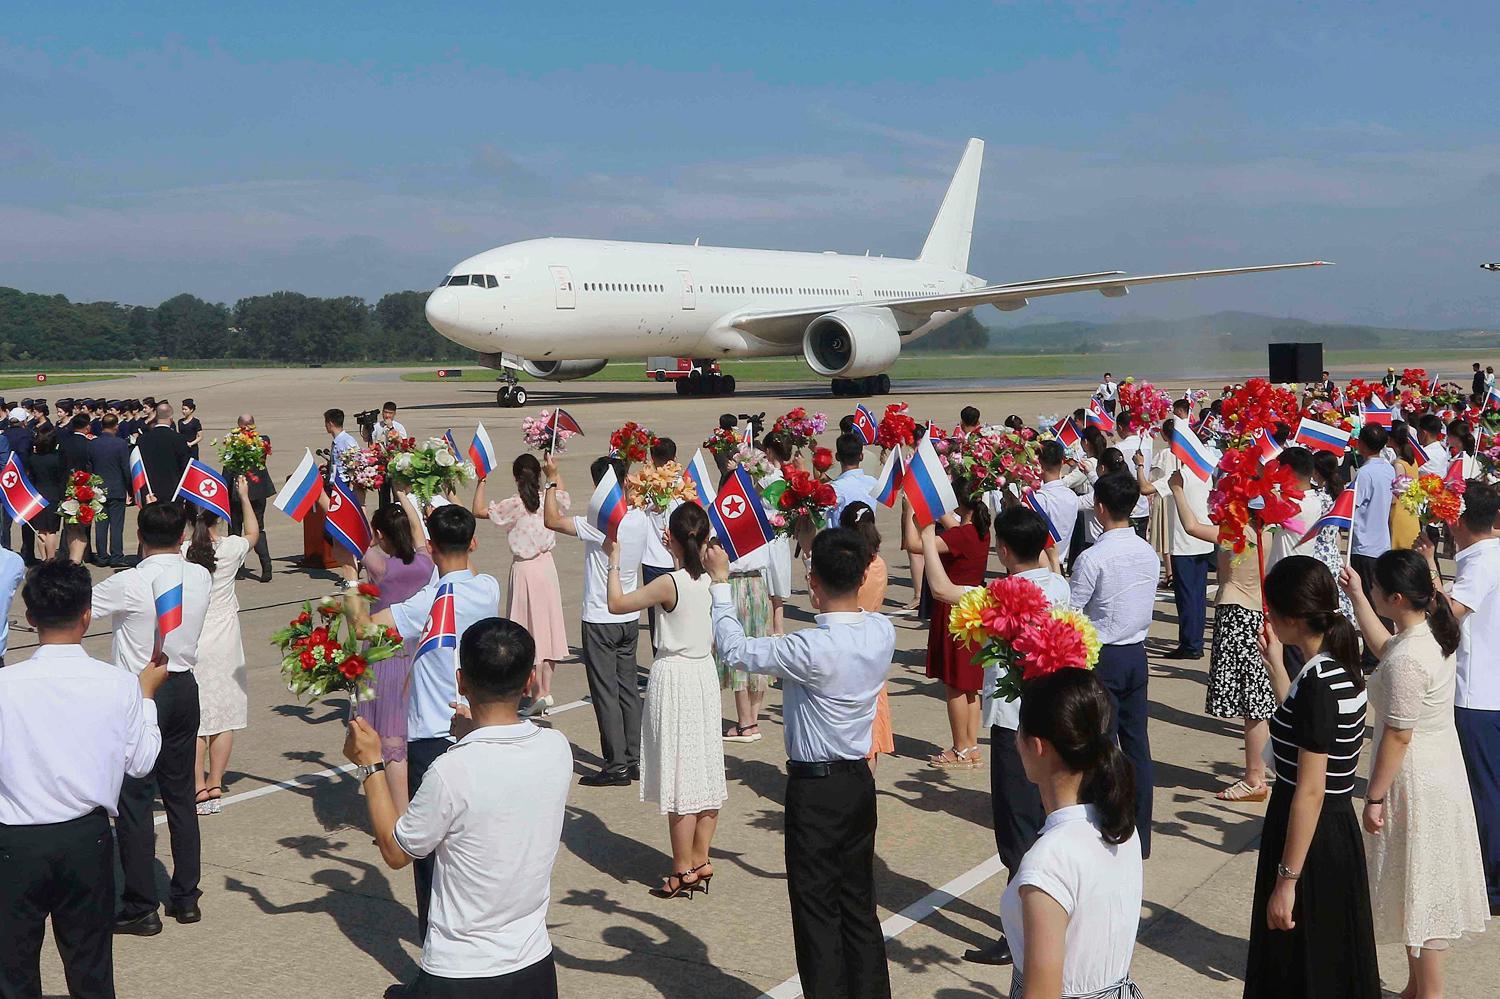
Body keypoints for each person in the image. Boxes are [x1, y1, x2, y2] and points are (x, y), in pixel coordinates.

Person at [709, 528, 894, 999]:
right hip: (858, 781)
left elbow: (734, 649)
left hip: (816, 789)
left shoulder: (808, 648)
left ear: (813, 584)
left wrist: (718, 586)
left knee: (816, 915)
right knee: (858, 906)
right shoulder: (881, 631)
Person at [343, 617, 572, 999]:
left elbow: (396, 851)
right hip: (533, 964)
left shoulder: (452, 770)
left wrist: (371, 765)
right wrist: (477, 734)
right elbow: (507, 767)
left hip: (461, 972)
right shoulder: (557, 748)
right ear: (529, 680)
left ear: (461, 681)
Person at [0, 560, 167, 999]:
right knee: (90, 968)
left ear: (31, 617)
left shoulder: (6, 685)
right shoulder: (117, 684)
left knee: (12, 971)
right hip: (85, 838)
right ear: (87, 614)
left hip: (14, 843)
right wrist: (146, 697)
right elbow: (142, 762)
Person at [345, 502, 503, 942]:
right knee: (474, 847)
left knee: (430, 856)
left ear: (431, 547)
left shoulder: (427, 603)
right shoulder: (487, 588)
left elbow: (367, 629)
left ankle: (436, 953)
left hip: (431, 739)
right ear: (473, 542)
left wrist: (353, 591)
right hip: (476, 727)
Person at [1338, 551, 1488, 995]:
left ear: (1397, 597)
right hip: (1436, 770)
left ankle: (1431, 992)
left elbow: (1398, 736)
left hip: (1416, 780)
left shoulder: (1412, 656)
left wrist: (1375, 796)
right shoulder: (1425, 634)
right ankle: (1415, 986)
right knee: (1414, 886)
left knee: (1423, 892)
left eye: (1378, 588)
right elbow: (1387, 648)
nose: (1374, 591)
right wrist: (1360, 597)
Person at [923, 507, 1063, 968]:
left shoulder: (1002, 594)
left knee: (1017, 833)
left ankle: (1022, 934)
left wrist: (926, 533)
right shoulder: (1057, 586)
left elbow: (942, 589)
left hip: (1016, 726)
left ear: (1003, 550)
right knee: (1052, 824)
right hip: (1058, 721)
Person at [90, 501, 212, 933]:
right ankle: (186, 896)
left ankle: (141, 904)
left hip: (141, 690)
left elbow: (81, 607)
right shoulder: (200, 575)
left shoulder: (130, 581)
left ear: (139, 536)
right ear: (181, 537)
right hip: (183, 686)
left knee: (135, 799)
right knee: (180, 794)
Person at [604, 502, 727, 898]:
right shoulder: (716, 580)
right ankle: (702, 858)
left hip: (674, 675)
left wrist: (614, 561)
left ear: (670, 537)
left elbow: (617, 604)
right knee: (706, 769)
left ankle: (681, 869)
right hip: (703, 672)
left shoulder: (670, 582)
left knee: (679, 776)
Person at [1000, 669, 1143, 997]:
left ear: (1037, 747)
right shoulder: (1120, 828)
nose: (1014, 739)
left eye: (1019, 730)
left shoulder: (1048, 861)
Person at [1167, 470, 1278, 802]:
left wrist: (1177, 491)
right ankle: (1258, 771)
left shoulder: (1238, 532)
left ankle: (1254, 777)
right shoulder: (1266, 530)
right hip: (1256, 612)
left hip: (1238, 613)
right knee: (1256, 700)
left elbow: (1190, 527)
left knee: (1252, 703)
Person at [1417, 479, 1500, 916]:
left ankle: (1490, 880)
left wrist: (1428, 568)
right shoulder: (1490, 555)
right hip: (1490, 689)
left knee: (1483, 791)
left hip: (1478, 694)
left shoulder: (1482, 562)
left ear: (1460, 519)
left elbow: (1449, 616)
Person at [542, 452, 647, 786]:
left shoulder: (600, 520)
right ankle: (635, 758)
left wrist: (551, 479)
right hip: (629, 612)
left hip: (601, 615)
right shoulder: (640, 517)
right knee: (628, 688)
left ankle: (616, 764)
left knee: (606, 692)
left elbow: (552, 520)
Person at [1069, 472, 1159, 855]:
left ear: (1101, 509)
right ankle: (1140, 832)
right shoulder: (1147, 551)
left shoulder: (1093, 557)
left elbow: (1072, 611)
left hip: (1103, 654)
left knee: (1101, 745)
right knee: (1137, 743)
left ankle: (1106, 823)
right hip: (1136, 652)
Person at [901, 477, 991, 770]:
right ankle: (971, 745)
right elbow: (953, 524)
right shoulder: (979, 531)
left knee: (954, 684)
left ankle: (960, 748)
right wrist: (934, 504)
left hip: (953, 610)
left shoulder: (960, 536)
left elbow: (913, 544)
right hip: (974, 608)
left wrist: (909, 512)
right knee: (970, 685)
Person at [182, 480, 257, 817]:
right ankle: (215, 783)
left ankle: (197, 784)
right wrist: (243, 497)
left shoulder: (183, 553)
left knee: (198, 718)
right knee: (223, 716)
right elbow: (254, 533)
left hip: (194, 638)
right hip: (225, 638)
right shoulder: (230, 548)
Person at [473, 454, 569, 717]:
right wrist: (553, 471)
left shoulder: (514, 505)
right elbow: (563, 492)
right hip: (547, 567)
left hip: (525, 569)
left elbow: (478, 510)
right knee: (547, 627)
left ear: (516, 478)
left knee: (527, 629)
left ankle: (535, 691)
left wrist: (481, 480)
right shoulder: (551, 498)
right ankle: (545, 690)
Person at [358, 503, 437, 812]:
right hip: (414, 652)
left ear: (381, 534)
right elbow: (418, 534)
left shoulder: (380, 566)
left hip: (381, 655)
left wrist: (354, 500)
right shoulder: (424, 563)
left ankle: (398, 814)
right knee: (403, 734)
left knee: (387, 740)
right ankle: (409, 808)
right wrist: (405, 497)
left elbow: (356, 539)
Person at [1135, 429, 1214, 659]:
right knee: (1197, 596)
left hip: (1185, 543)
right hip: (1203, 541)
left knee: (1187, 596)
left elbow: (1145, 488)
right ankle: (1194, 640)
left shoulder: (1179, 475)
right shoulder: (1204, 473)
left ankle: (1191, 644)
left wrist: (1140, 466)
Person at [841, 502, 893, 771]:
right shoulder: (878, 563)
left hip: (849, 640)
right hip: (873, 639)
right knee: (872, 721)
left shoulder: (851, 567)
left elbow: (819, 601)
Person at [637, 437, 685, 647]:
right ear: (674, 458)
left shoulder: (645, 485)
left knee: (656, 618)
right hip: (676, 559)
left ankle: (659, 658)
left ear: (652, 458)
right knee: (677, 613)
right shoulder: (682, 485)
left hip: (652, 561)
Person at [228, 414, 275, 583]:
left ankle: (239, 568)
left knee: (237, 531)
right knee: (256, 529)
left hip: (241, 492)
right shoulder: (260, 440)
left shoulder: (241, 443)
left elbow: (228, 469)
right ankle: (264, 567)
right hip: (257, 493)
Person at [87, 414, 132, 567]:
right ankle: (116, 555)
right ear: (116, 426)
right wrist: (129, 488)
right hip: (117, 488)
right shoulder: (120, 444)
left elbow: (89, 467)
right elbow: (125, 468)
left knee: (100, 524)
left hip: (98, 490)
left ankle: (102, 556)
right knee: (117, 525)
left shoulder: (93, 444)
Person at [1033, 440, 1081, 576]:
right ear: (1062, 462)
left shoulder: (1039, 498)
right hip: (1059, 564)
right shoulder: (1072, 496)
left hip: (1039, 567)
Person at [23, 428, 66, 561]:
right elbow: (62, 478)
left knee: (41, 531)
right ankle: (51, 559)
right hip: (53, 495)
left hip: (37, 495)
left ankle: (43, 559)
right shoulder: (57, 458)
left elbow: (31, 478)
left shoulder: (33, 459)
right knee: (51, 531)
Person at [136, 402, 188, 503]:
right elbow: (184, 466)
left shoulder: (143, 439)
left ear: (156, 416)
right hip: (173, 490)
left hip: (150, 492)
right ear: (171, 417)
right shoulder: (179, 439)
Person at [1111, 412, 1153, 536]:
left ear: (1120, 427)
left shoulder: (1119, 448)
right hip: (1143, 505)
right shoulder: (1146, 446)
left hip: (1125, 505)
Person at [828, 432, 877, 524]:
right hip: (868, 536)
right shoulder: (873, 483)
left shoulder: (834, 488)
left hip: (841, 536)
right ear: (861, 456)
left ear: (837, 457)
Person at [1387, 425, 1421, 552]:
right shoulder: (1413, 461)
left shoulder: (1398, 464)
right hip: (1412, 510)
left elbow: (1396, 493)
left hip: (1399, 511)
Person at [325, 408, 360, 486]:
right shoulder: (338, 440)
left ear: (330, 424)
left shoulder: (347, 441)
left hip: (344, 484)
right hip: (336, 482)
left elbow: (355, 462)